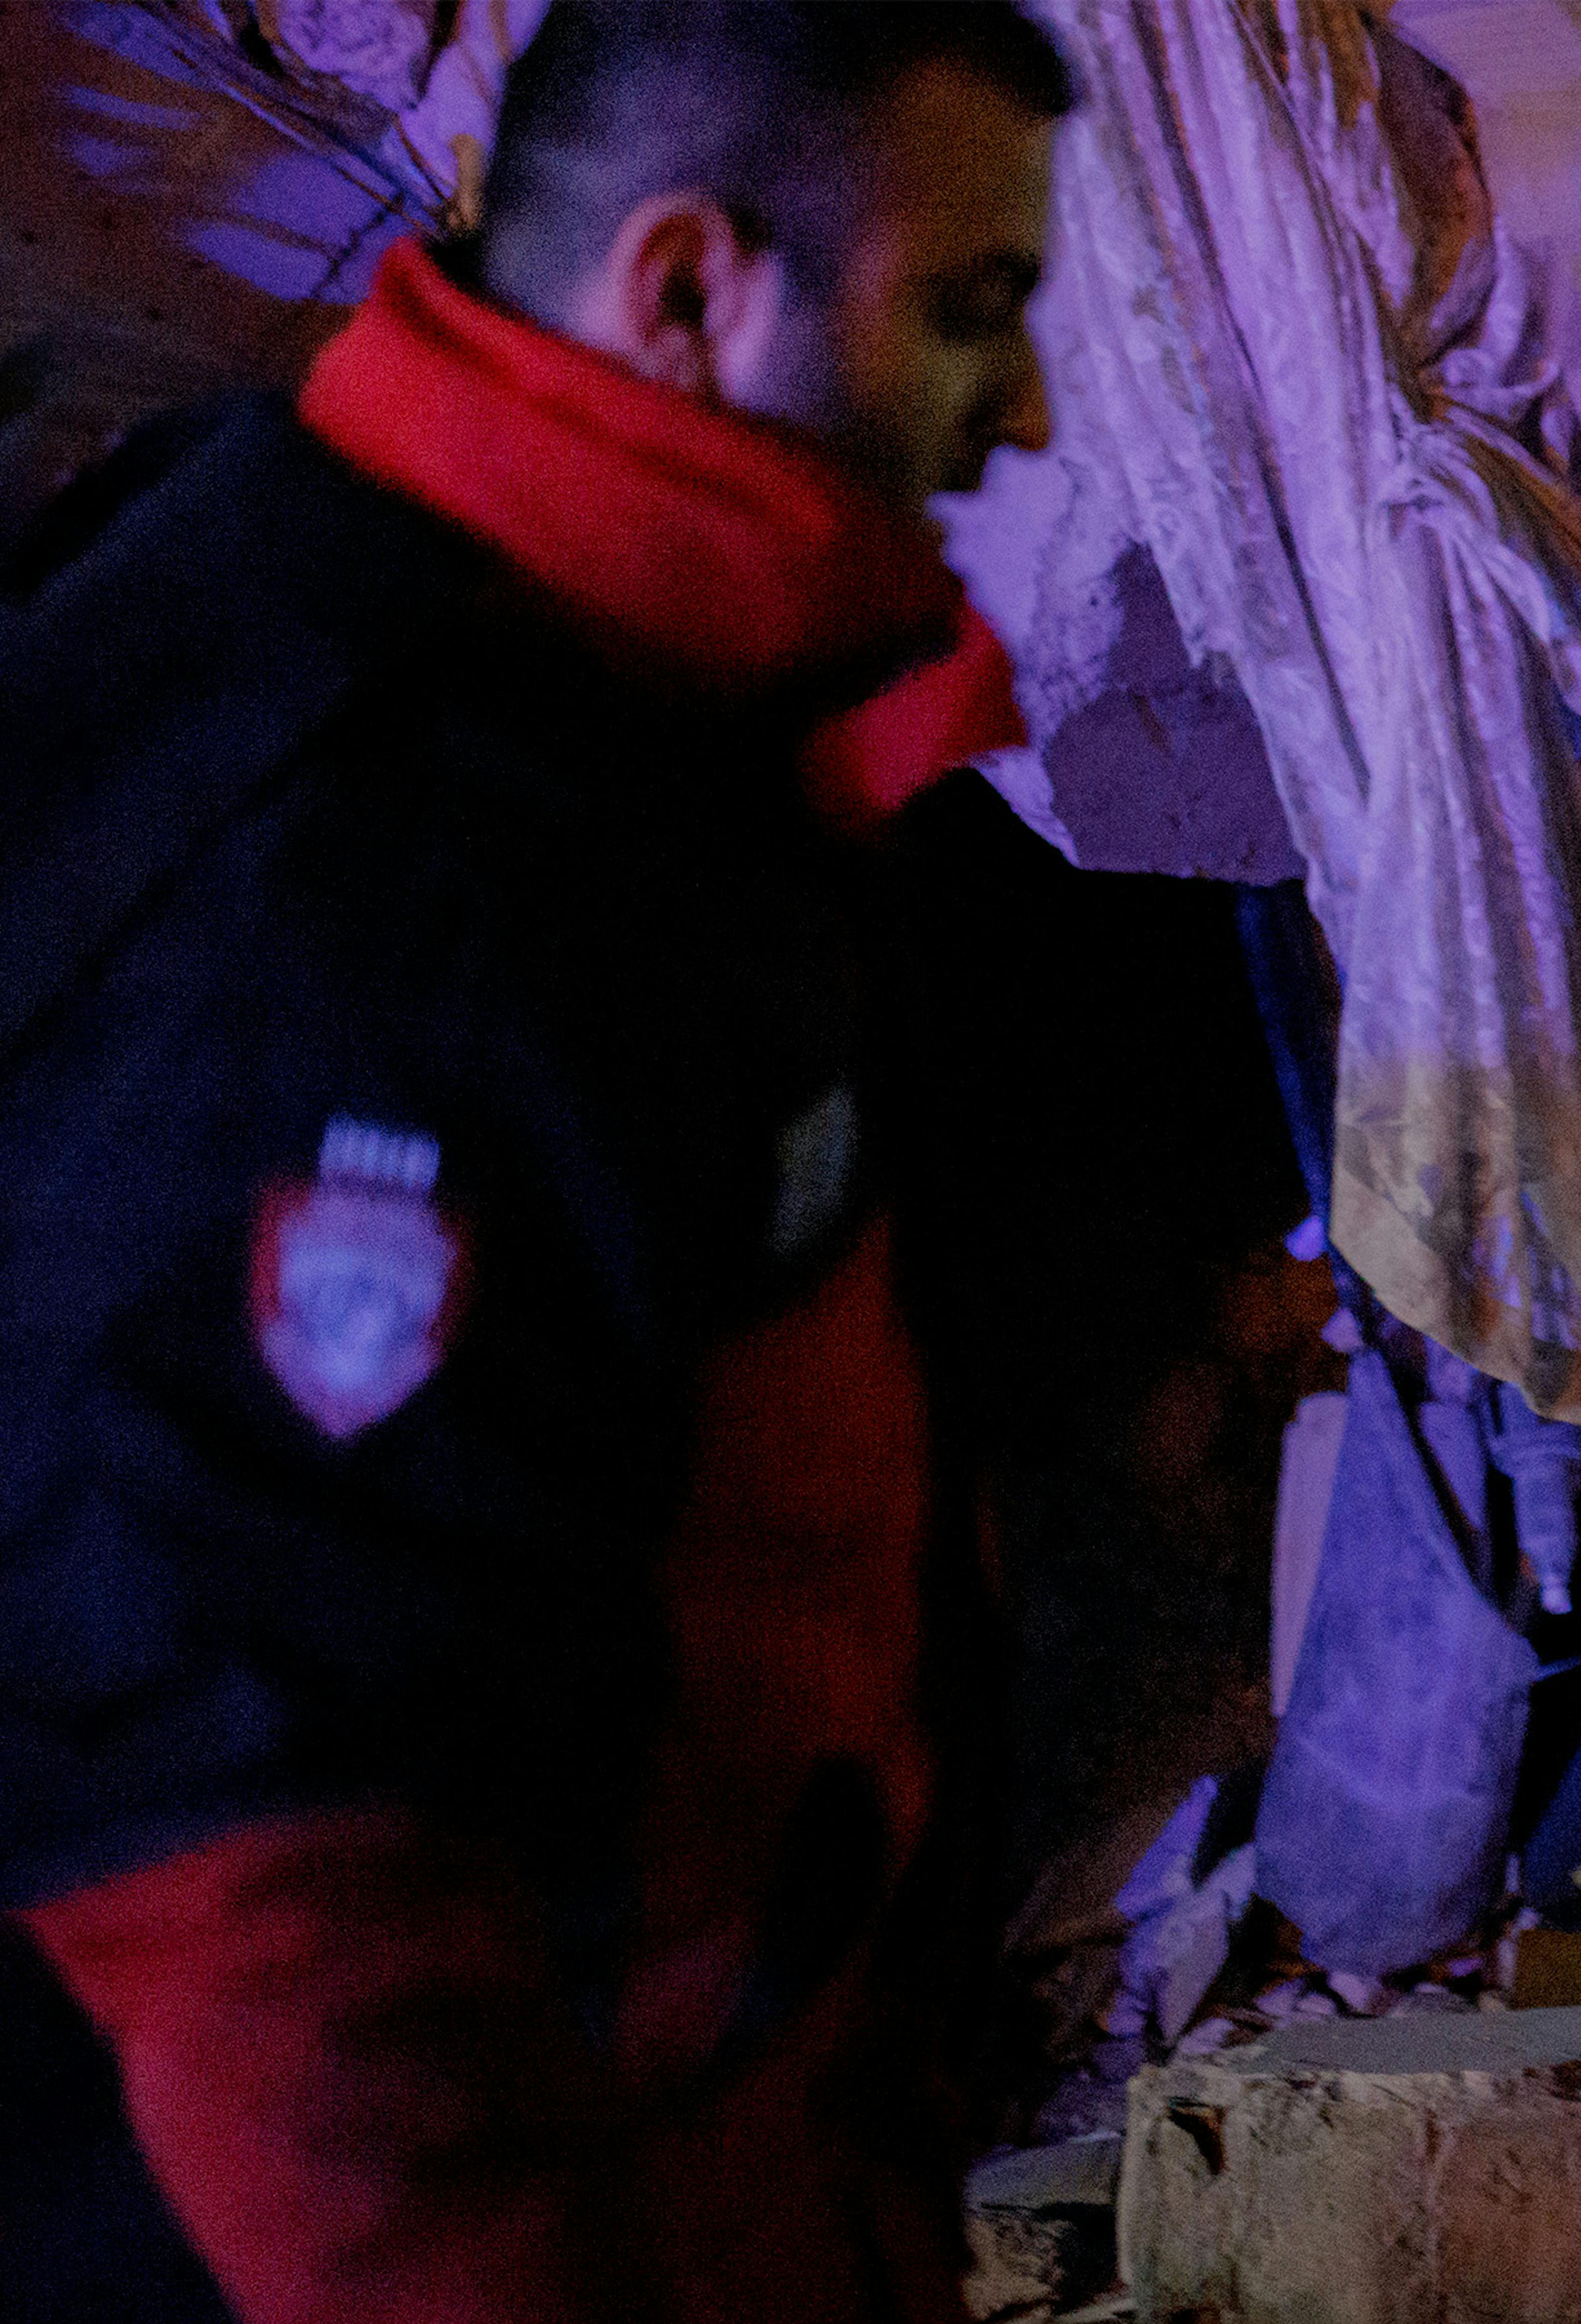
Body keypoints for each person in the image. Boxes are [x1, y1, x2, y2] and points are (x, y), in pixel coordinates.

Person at [0, 8, 1075, 2319]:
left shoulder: (570, 688)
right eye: (969, 308)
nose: (1034, 409)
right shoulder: (370, 856)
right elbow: (272, 1900)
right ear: (688, 288)